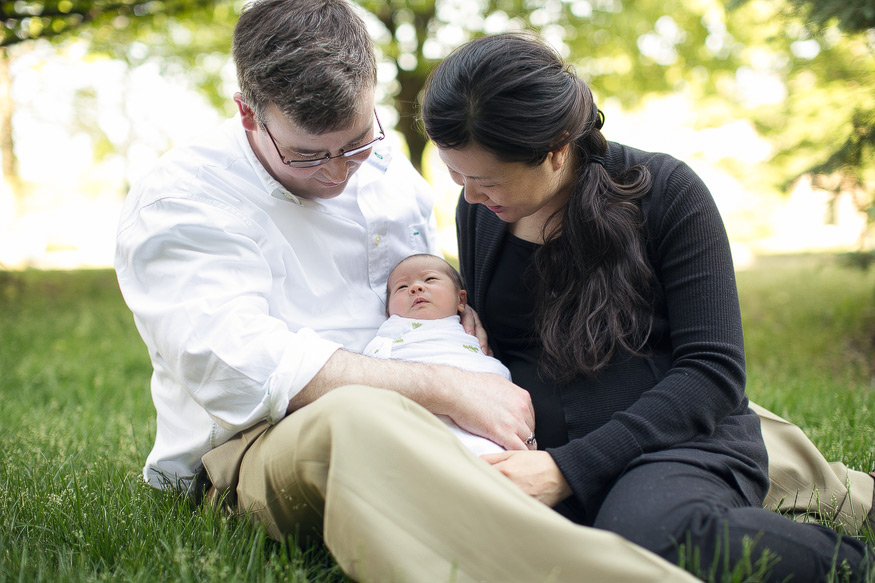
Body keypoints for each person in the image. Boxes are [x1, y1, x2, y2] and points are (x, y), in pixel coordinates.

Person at [114, 1, 705, 581]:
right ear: (249, 115)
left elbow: (420, 278)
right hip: (268, 442)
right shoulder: (185, 201)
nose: (339, 173)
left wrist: (461, 333)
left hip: (430, 404)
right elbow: (239, 366)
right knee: (357, 420)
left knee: (651, 393)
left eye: (355, 142)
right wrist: (441, 386)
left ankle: (750, 502)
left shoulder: (386, 167)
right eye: (307, 155)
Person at [420, 31, 874, 582]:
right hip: (535, 454)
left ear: (558, 147)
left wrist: (568, 469)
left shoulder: (669, 193)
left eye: (485, 179)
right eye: (456, 176)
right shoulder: (481, 212)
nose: (468, 196)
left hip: (668, 445)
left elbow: (713, 373)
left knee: (650, 537)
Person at [364, 253, 508, 455]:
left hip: (482, 402)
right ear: (388, 311)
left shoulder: (471, 331)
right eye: (402, 287)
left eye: (429, 279)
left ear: (461, 299)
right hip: (418, 412)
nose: (415, 288)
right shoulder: (391, 332)